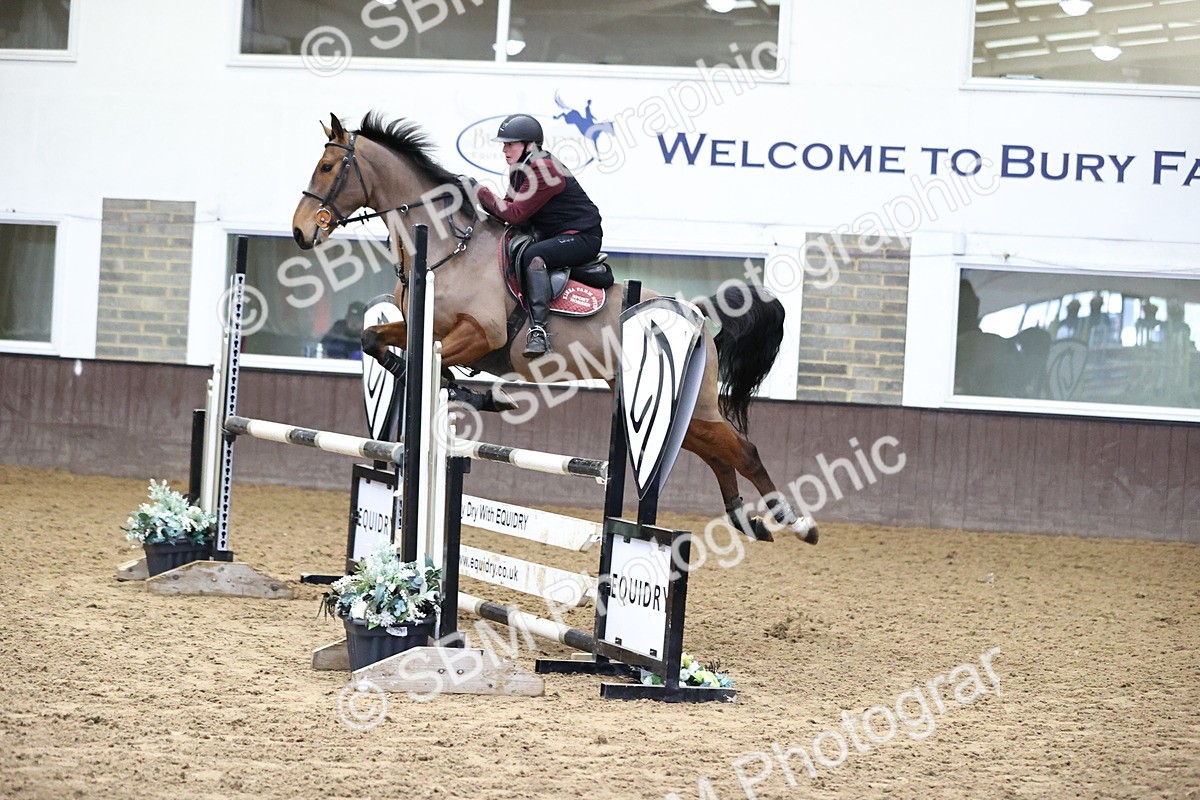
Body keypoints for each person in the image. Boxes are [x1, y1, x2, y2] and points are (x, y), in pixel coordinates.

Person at [474, 113, 603, 358]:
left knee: (534, 256)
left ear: (529, 145)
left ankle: (538, 331)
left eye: (510, 143)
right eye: (504, 144)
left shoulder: (544, 169)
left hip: (582, 237)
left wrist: (481, 193)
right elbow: (506, 209)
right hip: (556, 235)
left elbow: (515, 214)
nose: (504, 149)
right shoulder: (519, 169)